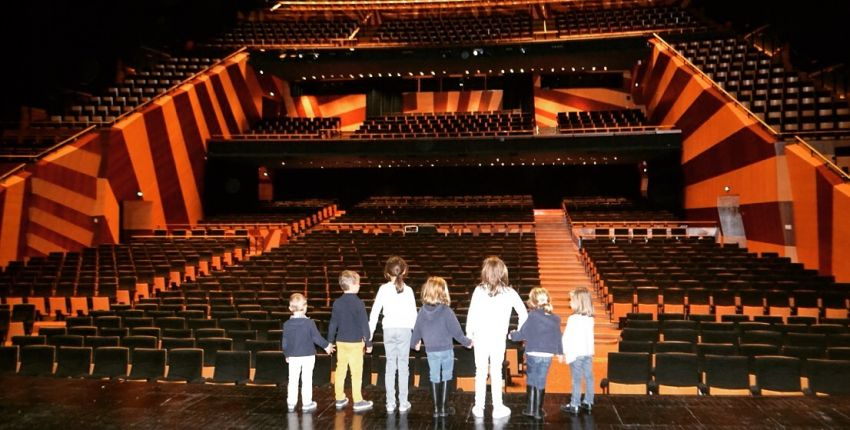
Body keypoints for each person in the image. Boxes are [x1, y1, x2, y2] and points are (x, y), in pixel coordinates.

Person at [466, 256, 528, 419]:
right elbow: (523, 313)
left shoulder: (478, 290)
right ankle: (497, 407)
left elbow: (471, 314)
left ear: (485, 272)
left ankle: (479, 406)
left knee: (480, 371)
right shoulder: (510, 292)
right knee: (496, 371)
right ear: (503, 272)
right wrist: (519, 332)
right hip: (497, 338)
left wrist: (469, 333)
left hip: (480, 337)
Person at [410, 276, 473, 418]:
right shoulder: (446, 311)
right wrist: (466, 342)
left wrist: (414, 343)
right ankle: (444, 408)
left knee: (433, 376)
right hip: (446, 349)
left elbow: (417, 329)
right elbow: (456, 331)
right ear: (443, 293)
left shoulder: (421, 311)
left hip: (431, 351)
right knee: (446, 375)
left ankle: (436, 409)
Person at [368, 256, 417, 413]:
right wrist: (417, 337)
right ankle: (403, 402)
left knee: (390, 366)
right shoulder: (408, 290)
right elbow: (414, 315)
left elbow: (375, 312)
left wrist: (369, 334)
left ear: (387, 273)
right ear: (404, 271)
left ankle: (390, 403)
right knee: (403, 366)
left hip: (388, 330)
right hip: (404, 330)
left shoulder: (383, 289)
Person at [509, 287, 563, 420]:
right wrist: (560, 353)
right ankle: (538, 411)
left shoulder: (532, 315)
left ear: (533, 302)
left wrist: (512, 335)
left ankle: (530, 409)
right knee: (541, 380)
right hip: (547, 355)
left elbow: (523, 333)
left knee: (531, 378)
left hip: (533, 353)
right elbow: (558, 336)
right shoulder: (555, 318)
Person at [327, 270, 373, 412]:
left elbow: (333, 324)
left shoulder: (337, 303)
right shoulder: (359, 303)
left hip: (341, 342)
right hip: (355, 343)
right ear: (353, 285)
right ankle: (358, 400)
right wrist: (369, 343)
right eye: (358, 283)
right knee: (356, 372)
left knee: (340, 370)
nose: (360, 285)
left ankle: (339, 398)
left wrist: (330, 341)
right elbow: (364, 325)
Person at [282, 293, 335, 413]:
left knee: (293, 380)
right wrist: (327, 346)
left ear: (290, 308)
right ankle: (307, 403)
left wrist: (286, 354)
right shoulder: (309, 323)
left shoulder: (286, 324)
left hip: (293, 357)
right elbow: (316, 338)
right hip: (308, 356)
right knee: (307, 379)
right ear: (305, 307)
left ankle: (291, 402)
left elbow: (285, 342)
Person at [560, 287, 595, 415]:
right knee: (588, 377)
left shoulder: (573, 319)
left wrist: (562, 351)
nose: (570, 302)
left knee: (576, 379)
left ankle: (575, 404)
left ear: (578, 302)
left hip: (576, 354)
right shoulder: (590, 318)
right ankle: (589, 401)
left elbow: (567, 337)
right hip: (588, 352)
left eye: (571, 300)